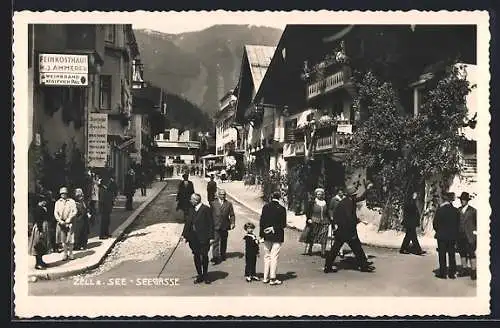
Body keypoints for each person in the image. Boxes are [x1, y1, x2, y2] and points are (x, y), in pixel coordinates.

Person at [324, 183, 375, 274]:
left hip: (342, 230)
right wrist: (357, 221)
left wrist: (367, 189)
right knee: (357, 248)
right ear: (352, 195)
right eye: (355, 194)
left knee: (336, 249)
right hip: (347, 230)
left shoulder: (348, 200)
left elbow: (361, 198)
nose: (356, 196)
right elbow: (349, 217)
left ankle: (327, 266)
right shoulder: (348, 203)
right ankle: (364, 266)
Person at [181, 193, 215, 284]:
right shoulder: (191, 209)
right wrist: (184, 235)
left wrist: (211, 237)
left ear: (196, 200)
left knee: (204, 256)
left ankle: (205, 275)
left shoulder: (206, 209)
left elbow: (211, 224)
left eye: (191, 199)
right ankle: (199, 275)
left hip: (204, 238)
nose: (190, 201)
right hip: (193, 238)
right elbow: (188, 223)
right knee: (196, 256)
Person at [259, 191, 287, 285]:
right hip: (277, 235)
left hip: (266, 234)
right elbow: (283, 224)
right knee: (274, 256)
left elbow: (262, 222)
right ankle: (273, 278)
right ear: (279, 198)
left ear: (271, 197)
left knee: (267, 256)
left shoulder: (265, 207)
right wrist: (274, 227)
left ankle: (265, 277)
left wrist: (261, 235)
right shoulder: (282, 209)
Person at [433, 192, 460, 279]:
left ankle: (443, 273)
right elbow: (458, 224)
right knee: (452, 254)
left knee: (442, 254)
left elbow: (435, 224)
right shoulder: (456, 211)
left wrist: (439, 231)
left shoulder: (440, 210)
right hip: (452, 236)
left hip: (441, 235)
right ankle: (452, 273)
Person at [300, 188, 330, 257]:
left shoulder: (325, 202)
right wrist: (308, 219)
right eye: (318, 194)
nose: (319, 195)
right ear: (316, 195)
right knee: (312, 235)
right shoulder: (312, 202)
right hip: (314, 220)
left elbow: (328, 212)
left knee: (324, 236)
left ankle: (323, 252)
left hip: (324, 221)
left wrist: (330, 219)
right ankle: (310, 248)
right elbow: (308, 211)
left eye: (321, 194)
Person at [210, 189, 235, 264]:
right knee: (215, 242)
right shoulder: (213, 203)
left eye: (224, 194)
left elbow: (232, 214)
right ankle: (215, 257)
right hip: (216, 225)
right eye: (221, 194)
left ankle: (223, 254)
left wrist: (232, 223)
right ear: (218, 195)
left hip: (225, 225)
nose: (223, 196)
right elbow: (210, 214)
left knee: (224, 241)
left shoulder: (229, 204)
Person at [456, 192, 477, 280]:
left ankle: (473, 271)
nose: (462, 201)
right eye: (461, 200)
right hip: (460, 235)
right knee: (462, 252)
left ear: (467, 201)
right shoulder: (458, 210)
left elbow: (477, 222)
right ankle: (464, 269)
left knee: (471, 253)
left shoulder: (473, 210)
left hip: (470, 235)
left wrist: (475, 232)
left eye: (464, 200)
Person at [54, 186, 78, 261]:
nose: (63, 195)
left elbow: (75, 211)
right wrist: (59, 220)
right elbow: (55, 213)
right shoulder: (58, 202)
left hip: (69, 222)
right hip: (61, 223)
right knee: (63, 240)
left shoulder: (71, 201)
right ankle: (65, 253)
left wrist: (69, 218)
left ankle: (71, 253)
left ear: (67, 194)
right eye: (62, 193)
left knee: (70, 239)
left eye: (65, 193)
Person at [29, 194, 50, 269]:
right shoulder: (38, 209)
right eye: (44, 201)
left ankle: (41, 261)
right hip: (39, 228)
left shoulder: (42, 208)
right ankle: (37, 263)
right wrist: (41, 231)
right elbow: (38, 221)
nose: (45, 202)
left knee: (42, 245)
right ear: (40, 201)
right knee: (38, 244)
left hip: (43, 226)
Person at [328, 187, 348, 258]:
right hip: (336, 219)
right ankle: (334, 250)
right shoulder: (334, 199)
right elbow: (330, 209)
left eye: (342, 192)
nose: (341, 193)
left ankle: (341, 251)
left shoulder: (345, 199)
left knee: (342, 236)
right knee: (336, 235)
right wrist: (331, 216)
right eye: (339, 192)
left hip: (344, 220)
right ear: (337, 193)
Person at [99, 173, 117, 240]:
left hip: (108, 206)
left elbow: (115, 188)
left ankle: (106, 233)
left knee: (107, 221)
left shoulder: (108, 189)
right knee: (104, 221)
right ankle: (102, 234)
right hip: (104, 207)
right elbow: (102, 200)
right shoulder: (102, 189)